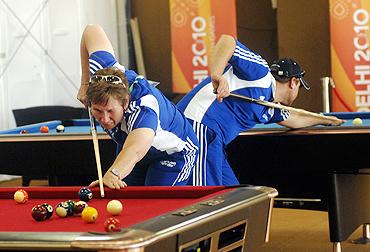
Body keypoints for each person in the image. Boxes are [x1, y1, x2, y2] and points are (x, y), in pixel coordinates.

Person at [177, 34, 344, 186]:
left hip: (214, 139)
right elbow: (227, 41)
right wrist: (217, 75)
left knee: (233, 196)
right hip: (199, 126)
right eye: (299, 85)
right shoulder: (260, 73)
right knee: (207, 200)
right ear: (294, 82)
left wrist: (326, 120)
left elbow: (295, 119)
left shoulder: (271, 108)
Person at [77, 24, 199, 189]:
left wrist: (113, 173)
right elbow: (91, 31)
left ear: (125, 103)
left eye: (110, 111)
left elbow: (135, 150)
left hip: (174, 153)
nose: (104, 119)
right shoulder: (102, 72)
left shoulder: (143, 109)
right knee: (123, 197)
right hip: (131, 143)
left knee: (154, 205)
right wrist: (85, 83)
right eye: (98, 111)